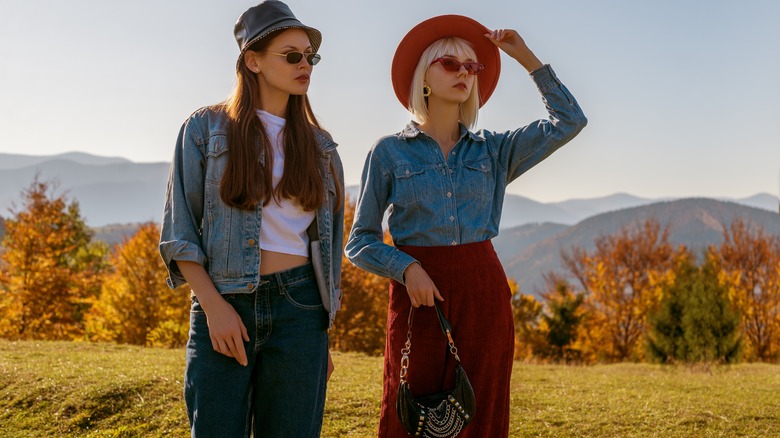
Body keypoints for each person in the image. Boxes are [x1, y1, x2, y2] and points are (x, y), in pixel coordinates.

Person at [346, 14, 586, 437]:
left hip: (484, 290)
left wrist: (527, 59)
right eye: (450, 64)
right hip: (418, 293)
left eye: (471, 67)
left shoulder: (494, 150)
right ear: (424, 75)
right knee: (411, 409)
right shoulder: (388, 153)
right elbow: (360, 241)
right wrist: (406, 268)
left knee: (480, 408)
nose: (464, 74)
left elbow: (569, 121)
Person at [159, 1, 344, 436]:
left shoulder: (321, 146)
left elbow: (329, 247)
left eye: (310, 57)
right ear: (253, 60)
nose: (305, 65)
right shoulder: (205, 129)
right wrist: (214, 307)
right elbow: (179, 232)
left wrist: (321, 334)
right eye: (292, 55)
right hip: (224, 301)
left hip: (301, 312)